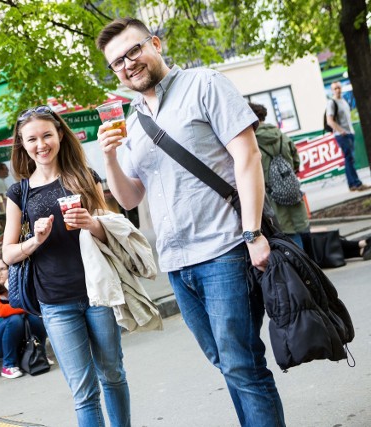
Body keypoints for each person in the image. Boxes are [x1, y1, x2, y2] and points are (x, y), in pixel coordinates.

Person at [96, 18, 284, 426]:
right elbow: (129, 197)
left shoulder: (205, 84)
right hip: (178, 263)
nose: (128, 64)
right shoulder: (131, 120)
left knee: (241, 364)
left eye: (133, 51)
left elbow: (247, 158)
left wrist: (253, 233)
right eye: (117, 62)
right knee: (226, 363)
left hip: (225, 249)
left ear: (155, 44)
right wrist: (109, 158)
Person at [2, 105, 131, 427]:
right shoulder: (19, 192)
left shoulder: (84, 177)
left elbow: (113, 231)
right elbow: (7, 253)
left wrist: (91, 223)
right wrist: (35, 240)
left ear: (60, 134)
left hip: (97, 292)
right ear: (22, 144)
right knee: (83, 391)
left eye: (47, 135)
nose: (41, 144)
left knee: (113, 374)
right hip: (55, 302)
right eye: (31, 139)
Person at [249, 102, 309, 248]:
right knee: (299, 226)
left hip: (271, 193)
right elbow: (296, 160)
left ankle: (297, 266)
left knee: (286, 231)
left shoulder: (252, 141)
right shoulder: (281, 135)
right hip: (291, 188)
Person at [0, 259, 48, 379]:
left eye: (2, 269)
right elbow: (1, 311)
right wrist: (24, 306)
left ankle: (39, 354)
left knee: (35, 317)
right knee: (15, 319)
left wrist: (13, 291)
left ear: (10, 270)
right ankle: (8, 365)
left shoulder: (17, 289)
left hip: (18, 341)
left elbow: (35, 304)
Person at [326, 82, 370, 192]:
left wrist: (351, 131)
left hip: (350, 133)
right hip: (342, 135)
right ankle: (357, 183)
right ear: (332, 90)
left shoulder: (344, 101)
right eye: (335, 88)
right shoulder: (332, 103)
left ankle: (352, 185)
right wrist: (341, 131)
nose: (337, 90)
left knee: (349, 159)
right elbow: (329, 121)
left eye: (339, 87)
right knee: (349, 158)